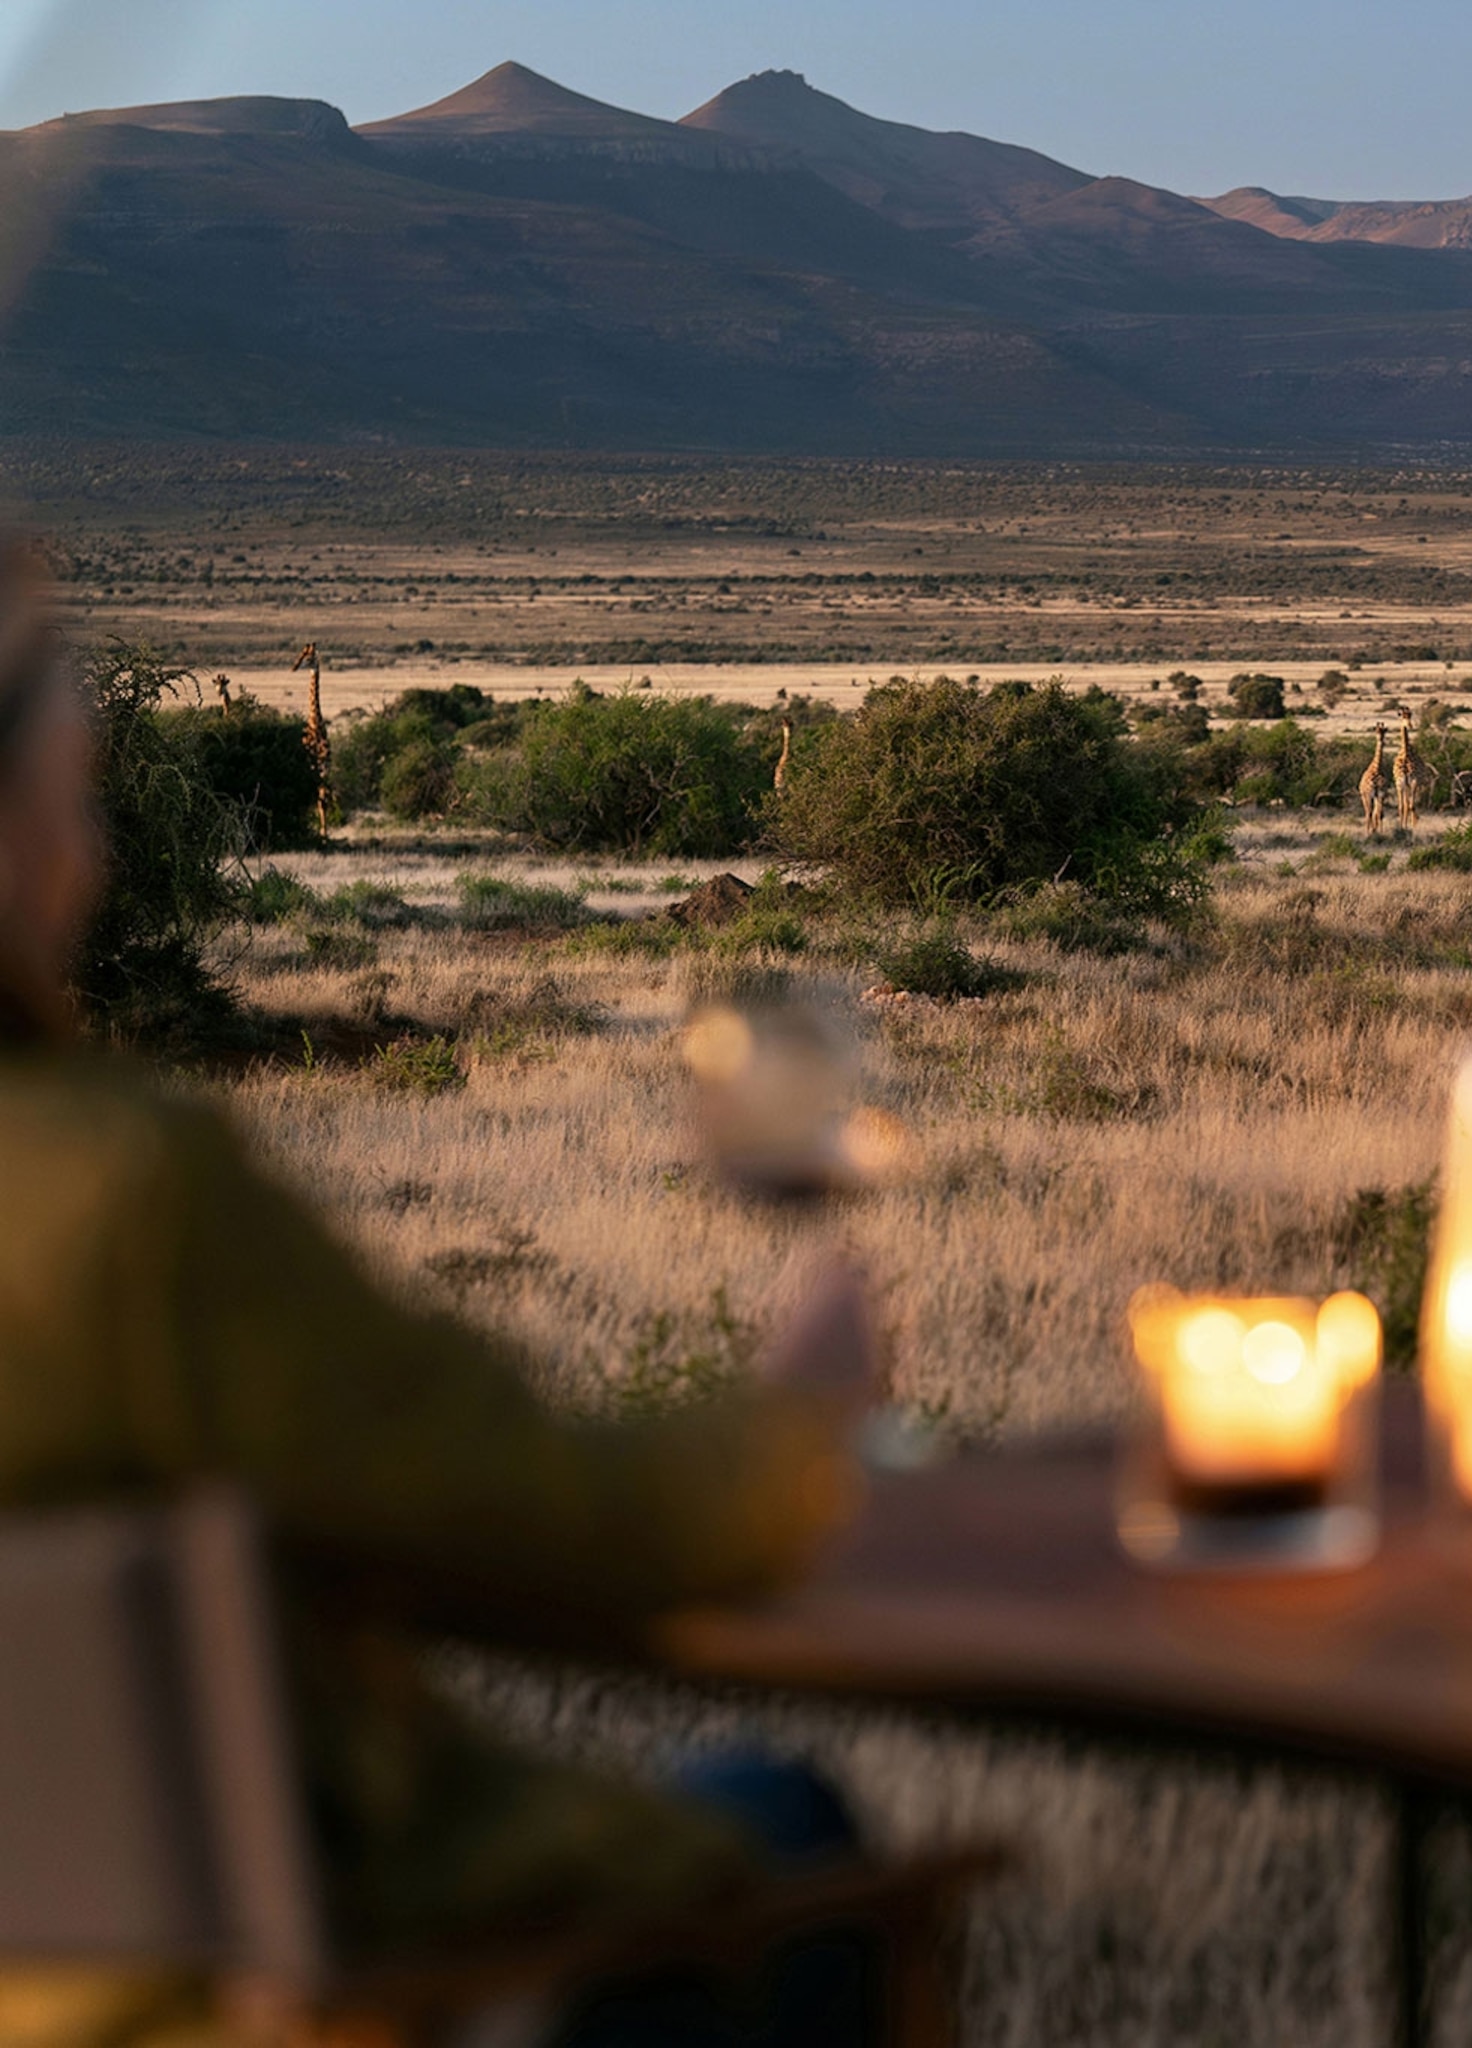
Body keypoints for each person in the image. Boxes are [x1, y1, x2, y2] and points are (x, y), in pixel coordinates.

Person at [0, 547, 873, 2042]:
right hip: (271, 2005)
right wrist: (797, 1424)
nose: (92, 857)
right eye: (71, 799)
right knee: (783, 1818)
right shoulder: (114, 1199)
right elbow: (555, 1510)